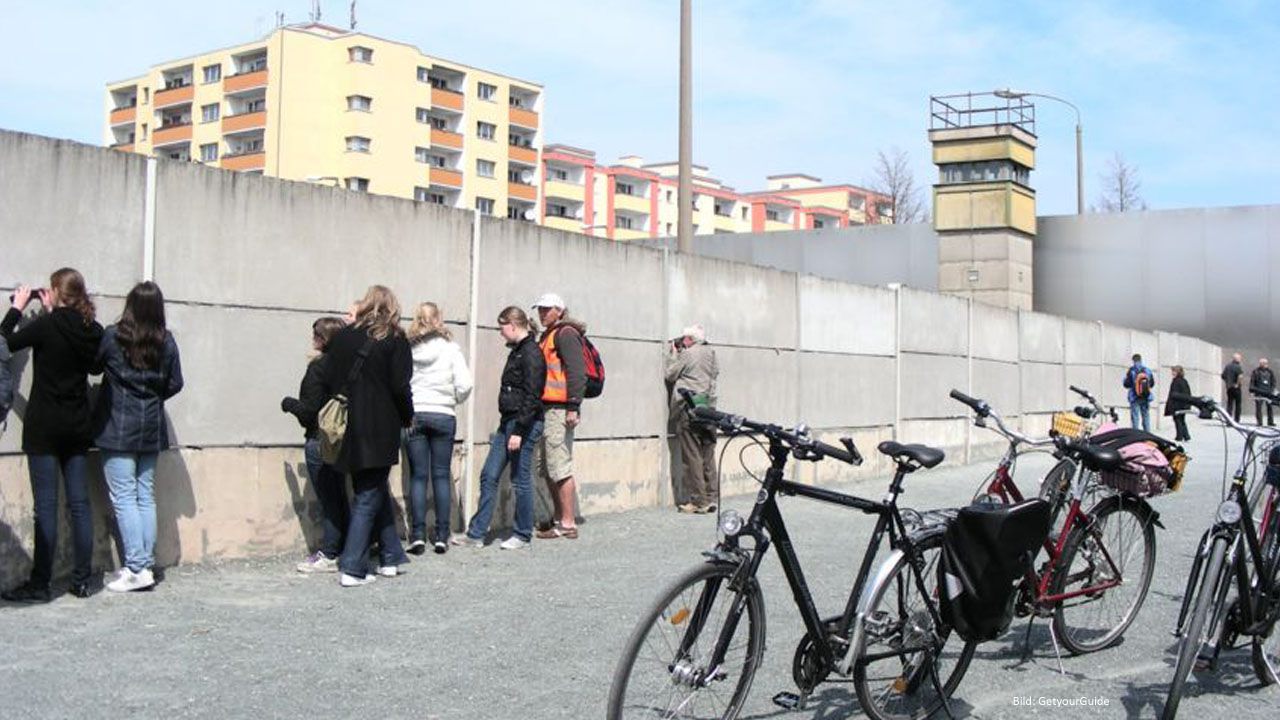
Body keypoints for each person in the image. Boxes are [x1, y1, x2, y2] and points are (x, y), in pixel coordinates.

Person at [1, 269, 104, 602]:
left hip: (45, 426)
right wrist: (54, 314)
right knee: (80, 506)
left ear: (57, 292)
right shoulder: (92, 329)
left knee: (45, 507)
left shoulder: (46, 326)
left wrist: (17, 308)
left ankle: (41, 583)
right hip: (77, 426)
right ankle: (83, 580)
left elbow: (4, 342)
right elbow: (93, 368)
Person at [93, 281, 184, 593]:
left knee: (124, 497)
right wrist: (153, 395)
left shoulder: (114, 335)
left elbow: (93, 366)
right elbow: (175, 383)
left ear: (130, 305)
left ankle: (136, 566)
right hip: (151, 427)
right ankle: (144, 564)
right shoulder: (166, 341)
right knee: (144, 494)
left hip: (117, 425)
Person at [325, 285, 413, 587]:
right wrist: (407, 416)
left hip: (348, 422)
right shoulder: (394, 338)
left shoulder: (343, 337)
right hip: (380, 424)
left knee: (372, 488)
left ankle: (391, 556)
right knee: (368, 493)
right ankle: (352, 567)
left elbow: (329, 376)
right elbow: (401, 385)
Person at [454, 306, 545, 550]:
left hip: (523, 423)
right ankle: (476, 534)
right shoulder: (518, 351)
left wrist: (519, 431)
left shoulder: (531, 353)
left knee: (519, 478)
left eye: (502, 327)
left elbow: (533, 395)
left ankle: (522, 533)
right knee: (489, 474)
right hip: (509, 421)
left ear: (513, 325)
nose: (500, 333)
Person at [282, 316, 349, 574]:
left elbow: (309, 412)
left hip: (319, 439)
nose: (313, 340)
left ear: (324, 340)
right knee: (340, 495)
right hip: (342, 439)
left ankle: (330, 553)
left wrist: (288, 404)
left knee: (328, 499)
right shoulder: (349, 367)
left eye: (316, 335)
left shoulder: (318, 368)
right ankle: (344, 547)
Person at [404, 302, 472, 555]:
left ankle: (418, 534)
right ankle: (442, 535)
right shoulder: (451, 349)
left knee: (418, 476)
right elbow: (465, 385)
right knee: (441, 474)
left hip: (416, 413)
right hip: (443, 413)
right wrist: (450, 400)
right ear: (438, 320)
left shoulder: (408, 349)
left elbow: (401, 382)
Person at [531, 293, 586, 540]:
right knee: (548, 466)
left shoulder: (565, 334)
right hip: (548, 408)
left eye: (546, 310)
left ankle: (567, 522)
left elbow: (577, 371)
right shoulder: (548, 335)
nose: (542, 314)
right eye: (540, 310)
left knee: (559, 465)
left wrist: (573, 406)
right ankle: (558, 518)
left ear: (560, 311)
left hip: (560, 408)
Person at [665, 323, 719, 514]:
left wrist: (673, 354)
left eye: (684, 339)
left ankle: (698, 501)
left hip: (689, 408)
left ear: (689, 339)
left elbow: (670, 375)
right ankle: (712, 498)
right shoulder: (711, 352)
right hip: (709, 408)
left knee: (692, 455)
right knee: (708, 455)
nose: (682, 342)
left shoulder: (687, 353)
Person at [1122, 353, 1155, 432]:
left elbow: (1127, 384)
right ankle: (1147, 434)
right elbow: (1152, 384)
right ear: (1141, 360)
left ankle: (1136, 435)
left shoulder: (1132, 370)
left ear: (1133, 360)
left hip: (1134, 397)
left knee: (1135, 417)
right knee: (1146, 416)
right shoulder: (1147, 370)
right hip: (1145, 396)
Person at [1166, 365, 1192, 442]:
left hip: (1177, 405)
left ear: (1177, 372)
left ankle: (1179, 436)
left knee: (1178, 420)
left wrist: (1171, 405)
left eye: (1174, 371)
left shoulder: (1176, 381)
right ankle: (1186, 436)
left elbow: (1173, 395)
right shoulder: (1184, 381)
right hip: (1184, 404)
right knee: (1182, 420)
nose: (1172, 373)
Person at [1251, 358, 1276, 427]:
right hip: (1259, 392)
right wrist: (1252, 391)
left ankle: (1270, 422)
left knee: (1270, 407)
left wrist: (1272, 389)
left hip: (1268, 392)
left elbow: (1273, 381)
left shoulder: (1270, 372)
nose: (1265, 364)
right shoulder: (1255, 371)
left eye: (1266, 363)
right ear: (1260, 364)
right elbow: (1252, 381)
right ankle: (1259, 422)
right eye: (1264, 363)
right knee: (1258, 407)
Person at [1222, 353, 1244, 422]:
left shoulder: (1227, 366)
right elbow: (1240, 376)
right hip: (1236, 388)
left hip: (1229, 388)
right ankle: (1236, 420)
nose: (1240, 360)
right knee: (1238, 404)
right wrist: (1237, 384)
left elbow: (1223, 376)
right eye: (1240, 358)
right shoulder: (1238, 366)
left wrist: (1227, 382)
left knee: (1229, 404)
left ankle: (1229, 420)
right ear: (1236, 359)